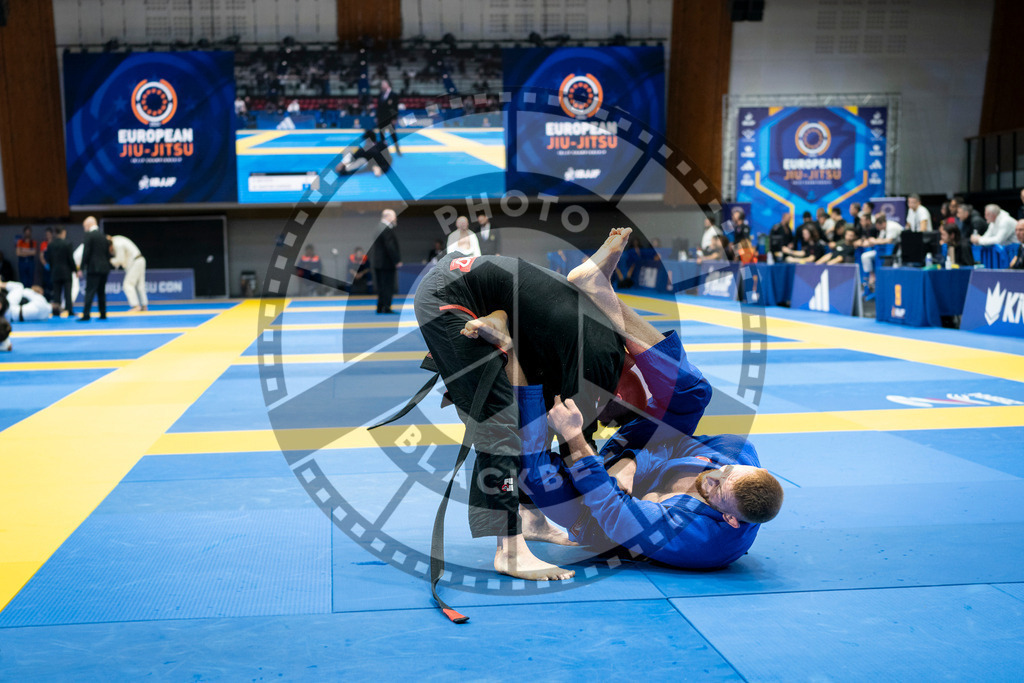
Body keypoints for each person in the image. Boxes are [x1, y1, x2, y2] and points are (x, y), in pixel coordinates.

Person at [473, 228, 783, 569]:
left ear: (731, 520)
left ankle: (508, 350)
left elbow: (611, 508)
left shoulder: (698, 540)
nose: (713, 477)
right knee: (692, 394)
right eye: (723, 472)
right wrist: (631, 463)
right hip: (629, 465)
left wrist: (574, 436)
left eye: (716, 490)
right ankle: (600, 290)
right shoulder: (736, 454)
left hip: (598, 519)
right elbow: (674, 445)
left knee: (535, 473)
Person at [414, 247, 628, 581]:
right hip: (450, 298)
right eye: (611, 419)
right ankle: (509, 551)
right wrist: (602, 514)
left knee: (531, 406)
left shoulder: (597, 341)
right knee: (499, 418)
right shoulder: (600, 367)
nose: (606, 422)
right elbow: (576, 450)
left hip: (471, 284)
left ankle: (531, 519)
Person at [78, 216, 112, 321]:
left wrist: (81, 267)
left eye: (84, 227)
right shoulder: (104, 236)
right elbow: (107, 254)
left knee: (90, 291)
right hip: (104, 268)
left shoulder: (89, 236)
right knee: (101, 291)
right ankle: (103, 313)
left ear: (88, 225)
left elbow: (86, 253)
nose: (84, 229)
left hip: (93, 268)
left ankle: (86, 314)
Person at [368, 209, 401, 314]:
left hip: (378, 263)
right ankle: (386, 306)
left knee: (381, 286)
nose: (395, 218)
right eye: (394, 216)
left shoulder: (378, 227)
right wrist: (396, 260)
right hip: (386, 263)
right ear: (388, 217)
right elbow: (390, 247)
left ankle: (380, 306)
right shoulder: (386, 229)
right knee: (387, 285)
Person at [861, 213, 903, 290]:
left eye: (878, 227)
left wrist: (874, 241)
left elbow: (888, 241)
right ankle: (871, 275)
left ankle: (894, 283)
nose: (878, 229)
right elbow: (880, 239)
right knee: (865, 256)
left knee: (895, 266)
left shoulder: (891, 227)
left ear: (882, 223)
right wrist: (872, 241)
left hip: (899, 248)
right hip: (885, 250)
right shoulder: (883, 229)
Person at [108, 233, 148, 311]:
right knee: (140, 285)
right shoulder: (118, 240)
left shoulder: (117, 244)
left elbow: (120, 260)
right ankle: (144, 305)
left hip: (135, 262)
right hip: (140, 260)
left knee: (128, 284)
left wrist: (109, 261)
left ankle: (135, 306)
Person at [46, 227, 77, 317]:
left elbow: (49, 259)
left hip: (55, 271)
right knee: (68, 292)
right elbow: (70, 259)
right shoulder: (67, 243)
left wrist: (52, 268)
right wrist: (74, 270)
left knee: (57, 293)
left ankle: (56, 311)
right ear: (63, 232)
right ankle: (69, 310)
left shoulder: (51, 245)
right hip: (66, 271)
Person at [376, 79, 401, 155]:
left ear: (388, 85)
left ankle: (397, 149)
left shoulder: (393, 95)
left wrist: (394, 118)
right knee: (382, 135)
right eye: (382, 84)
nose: (382, 86)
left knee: (393, 134)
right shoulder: (380, 94)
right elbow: (378, 107)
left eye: (384, 84)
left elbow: (395, 108)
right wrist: (377, 117)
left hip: (390, 119)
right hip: (381, 118)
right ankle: (383, 151)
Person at [38, 227, 53, 300]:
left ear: (52, 234)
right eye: (46, 234)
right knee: (46, 282)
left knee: (53, 282)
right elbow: (41, 256)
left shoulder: (54, 243)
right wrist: (45, 264)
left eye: (49, 234)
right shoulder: (43, 244)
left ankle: (53, 297)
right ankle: (46, 298)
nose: (48, 236)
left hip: (54, 266)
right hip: (46, 266)